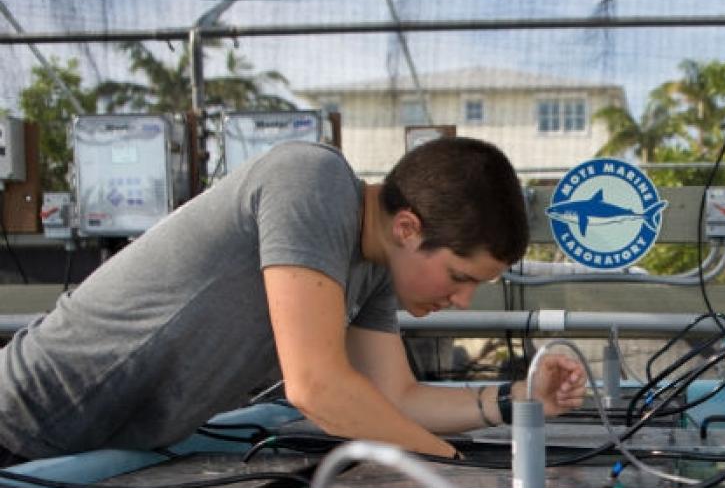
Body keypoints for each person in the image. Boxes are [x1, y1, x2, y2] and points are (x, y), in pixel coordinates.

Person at [0, 137, 585, 464]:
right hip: (20, 421)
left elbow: (393, 399)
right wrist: (453, 470)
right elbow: (318, 388)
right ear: (408, 227)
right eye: (459, 276)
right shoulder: (312, 181)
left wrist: (519, 399)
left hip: (90, 458)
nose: (461, 301)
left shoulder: (373, 271)